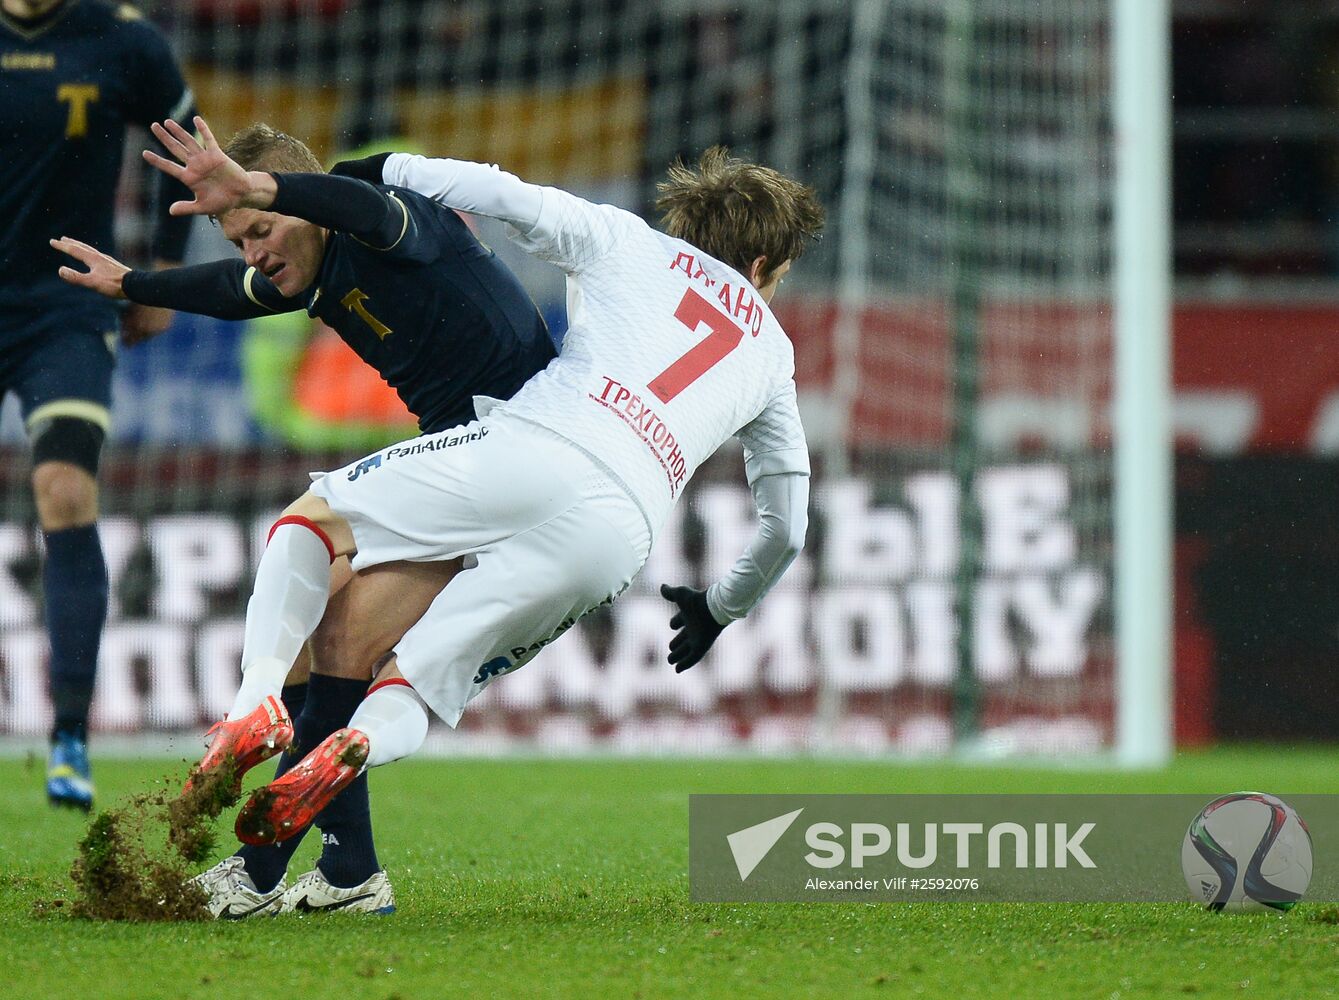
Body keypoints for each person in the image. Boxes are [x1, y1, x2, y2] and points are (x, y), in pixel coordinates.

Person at [147, 117, 823, 864]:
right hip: (621, 533)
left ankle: (254, 710)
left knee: (314, 526)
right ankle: (356, 766)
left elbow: (499, 193)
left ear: (686, 224)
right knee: (413, 677)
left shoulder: (626, 239)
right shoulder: (772, 355)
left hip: (537, 445)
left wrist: (385, 165)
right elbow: (785, 525)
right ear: (762, 264)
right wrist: (718, 607)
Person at [53, 117, 556, 916]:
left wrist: (262, 186)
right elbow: (229, 291)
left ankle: (253, 758)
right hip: (478, 487)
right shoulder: (309, 270)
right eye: (237, 236)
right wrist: (133, 284)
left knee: (308, 530)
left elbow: (360, 209)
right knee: (338, 647)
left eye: (259, 227)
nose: (251, 250)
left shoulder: (393, 220)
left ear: (301, 203)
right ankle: (348, 876)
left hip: (513, 453)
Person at [0, 0, 196, 811]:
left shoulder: (123, 39)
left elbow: (185, 145)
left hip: (66, 305)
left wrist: (160, 271)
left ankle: (70, 735)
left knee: (66, 491)